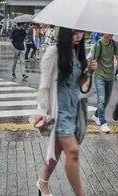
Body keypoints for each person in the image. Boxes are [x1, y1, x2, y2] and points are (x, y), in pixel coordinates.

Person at [33, 27, 97, 196]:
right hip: (58, 111)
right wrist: (42, 112)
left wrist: (89, 72)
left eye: (82, 32)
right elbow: (44, 85)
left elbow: (81, 87)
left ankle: (42, 182)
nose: (79, 36)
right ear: (66, 33)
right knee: (73, 151)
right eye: (75, 32)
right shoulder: (53, 53)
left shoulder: (78, 54)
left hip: (73, 109)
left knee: (58, 149)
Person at [91, 33, 118, 133]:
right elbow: (93, 60)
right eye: (109, 32)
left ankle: (95, 116)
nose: (111, 34)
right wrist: (92, 67)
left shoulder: (115, 44)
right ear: (104, 33)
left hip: (110, 76)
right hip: (99, 75)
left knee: (106, 101)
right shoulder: (98, 45)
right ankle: (103, 123)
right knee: (102, 99)